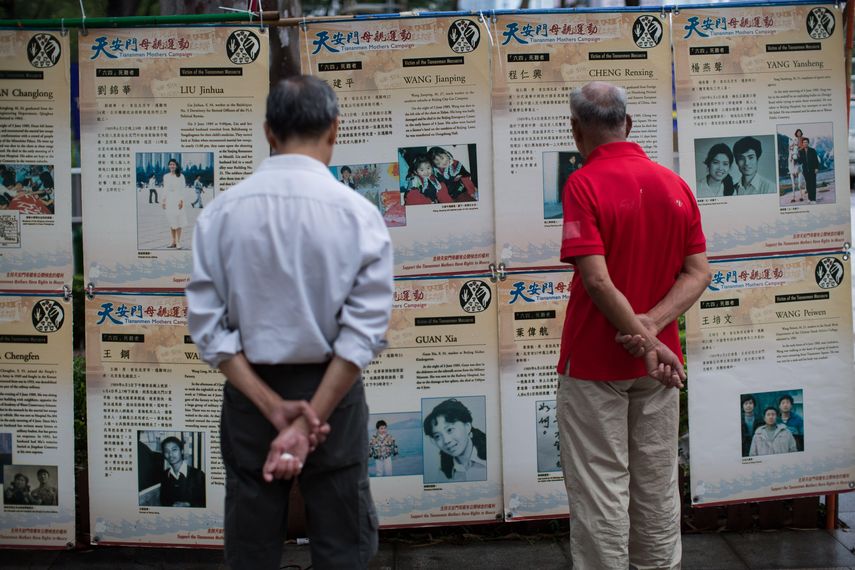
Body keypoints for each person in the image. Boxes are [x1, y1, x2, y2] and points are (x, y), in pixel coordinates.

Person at [187, 75, 393, 570]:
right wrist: (309, 418)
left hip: (250, 393)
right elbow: (362, 334)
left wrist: (275, 408)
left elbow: (209, 329)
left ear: (268, 133)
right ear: (334, 130)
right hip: (333, 395)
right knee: (343, 534)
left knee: (251, 537)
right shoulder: (359, 216)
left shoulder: (220, 215)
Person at [557, 81, 710, 569]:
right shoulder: (674, 184)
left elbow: (598, 283)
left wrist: (641, 333)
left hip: (595, 360)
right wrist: (655, 332)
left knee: (602, 489)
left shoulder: (583, 184)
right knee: (657, 485)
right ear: (628, 124)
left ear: (577, 132)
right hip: (660, 364)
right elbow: (698, 271)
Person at [423, 399, 487, 482]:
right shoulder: (444, 473)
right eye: (437, 436)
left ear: (467, 427)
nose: (446, 441)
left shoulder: (491, 458)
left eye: (449, 430)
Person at [159, 436, 206, 508]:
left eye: (174, 450)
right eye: (166, 451)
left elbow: (205, 502)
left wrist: (189, 505)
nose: (170, 454)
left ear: (182, 451)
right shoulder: (165, 475)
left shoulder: (198, 475)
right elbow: (164, 501)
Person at [161, 158, 187, 248]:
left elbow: (182, 189)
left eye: (173, 164)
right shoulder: (166, 176)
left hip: (177, 200)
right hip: (169, 201)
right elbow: (165, 189)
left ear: (176, 166)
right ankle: (173, 241)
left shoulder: (181, 176)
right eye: (170, 164)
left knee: (178, 221)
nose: (172, 166)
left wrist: (181, 201)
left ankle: (178, 242)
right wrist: (163, 201)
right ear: (168, 166)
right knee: (172, 221)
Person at [796, 137, 820, 204]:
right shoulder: (800, 152)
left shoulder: (812, 150)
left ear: (808, 143)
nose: (805, 143)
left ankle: (813, 199)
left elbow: (816, 160)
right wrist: (797, 157)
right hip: (805, 171)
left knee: (813, 184)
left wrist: (816, 168)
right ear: (802, 144)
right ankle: (809, 198)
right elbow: (800, 162)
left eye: (806, 142)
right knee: (808, 185)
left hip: (813, 170)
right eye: (804, 142)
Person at [788, 129, 805, 202]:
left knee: (803, 157)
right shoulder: (794, 139)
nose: (799, 133)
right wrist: (792, 147)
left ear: (801, 133)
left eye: (799, 132)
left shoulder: (803, 139)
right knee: (790, 158)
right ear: (796, 133)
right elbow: (791, 147)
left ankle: (805, 168)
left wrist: (799, 148)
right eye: (797, 132)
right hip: (794, 151)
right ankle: (793, 196)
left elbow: (803, 145)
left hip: (799, 151)